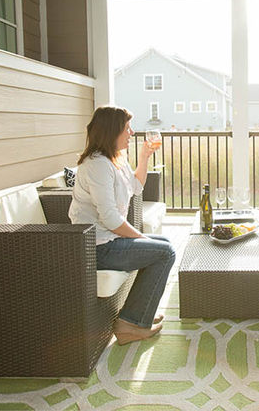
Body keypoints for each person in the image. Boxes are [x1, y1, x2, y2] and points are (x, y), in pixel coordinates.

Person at [69, 106, 176, 344]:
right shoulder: (96, 165)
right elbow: (110, 218)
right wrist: (140, 237)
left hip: (111, 240)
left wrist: (144, 157)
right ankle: (131, 325)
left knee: (166, 244)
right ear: (111, 131)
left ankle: (137, 314)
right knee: (164, 252)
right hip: (97, 247)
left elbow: (136, 187)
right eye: (127, 128)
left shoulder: (115, 158)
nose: (131, 132)